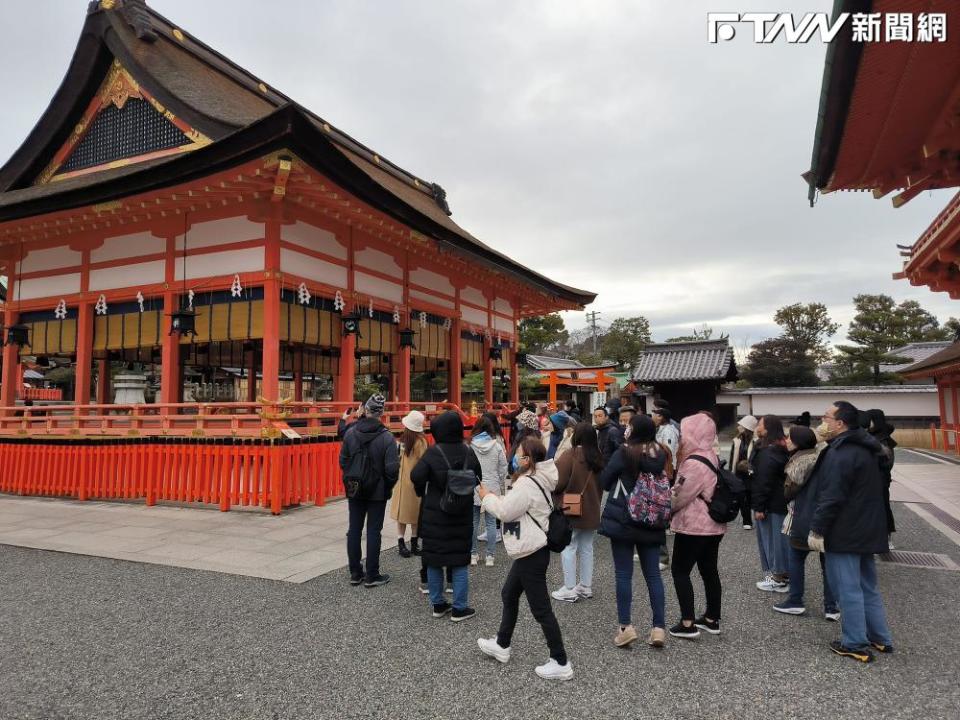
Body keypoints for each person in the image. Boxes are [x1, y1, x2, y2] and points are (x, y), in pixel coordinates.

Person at [476, 437, 573, 680]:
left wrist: (487, 497)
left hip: (531, 550)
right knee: (509, 594)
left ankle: (560, 660)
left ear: (527, 459)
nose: (515, 457)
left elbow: (506, 511)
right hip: (530, 549)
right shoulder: (539, 478)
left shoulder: (526, 484)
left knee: (541, 609)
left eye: (519, 453)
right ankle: (502, 643)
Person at [807, 401, 894, 663]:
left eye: (826, 417)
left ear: (840, 423)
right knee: (868, 585)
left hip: (845, 530)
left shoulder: (840, 453)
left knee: (847, 588)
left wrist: (817, 528)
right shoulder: (868, 448)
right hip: (867, 526)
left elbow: (831, 496)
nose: (823, 421)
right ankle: (879, 637)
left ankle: (855, 641)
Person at [598, 414, 669, 648]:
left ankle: (625, 627)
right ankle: (658, 628)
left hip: (624, 518)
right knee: (653, 575)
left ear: (634, 430)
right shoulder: (660, 453)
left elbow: (605, 482)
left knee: (623, 574)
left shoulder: (625, 452)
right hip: (652, 518)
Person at [411, 411, 482, 622]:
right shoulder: (468, 452)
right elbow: (478, 477)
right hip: (461, 512)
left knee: (433, 560)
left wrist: (422, 489)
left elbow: (416, 476)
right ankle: (460, 608)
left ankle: (438, 604)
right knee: (459, 561)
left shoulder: (433, 452)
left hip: (435, 513)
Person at [668, 412, 726, 639]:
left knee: (680, 571)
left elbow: (680, 496)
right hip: (713, 525)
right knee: (709, 570)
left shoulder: (693, 462)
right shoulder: (710, 454)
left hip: (694, 526)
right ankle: (712, 618)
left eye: (686, 431)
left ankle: (687, 622)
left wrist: (666, 506)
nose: (683, 436)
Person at [774, 425, 838, 620]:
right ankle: (831, 607)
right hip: (827, 516)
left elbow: (789, 492)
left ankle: (795, 600)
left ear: (799, 441)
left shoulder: (799, 462)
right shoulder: (827, 457)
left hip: (803, 516)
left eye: (790, 438)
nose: (787, 440)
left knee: (796, 557)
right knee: (828, 563)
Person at [338, 394, 400, 587]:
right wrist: (386, 486)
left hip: (355, 488)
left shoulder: (350, 433)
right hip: (377, 490)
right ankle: (372, 575)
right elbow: (392, 470)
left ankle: (355, 573)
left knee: (354, 530)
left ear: (365, 410)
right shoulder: (387, 437)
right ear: (381, 412)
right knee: (374, 531)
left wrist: (352, 476)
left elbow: (343, 461)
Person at [551, 421, 603, 603]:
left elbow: (557, 482)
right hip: (592, 508)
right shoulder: (598, 456)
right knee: (587, 547)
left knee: (569, 546)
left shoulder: (570, 454)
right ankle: (585, 586)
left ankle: (570, 588)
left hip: (571, 508)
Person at [751, 415, 791, 593]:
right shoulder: (780, 447)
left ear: (767, 429)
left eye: (760, 424)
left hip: (770, 504)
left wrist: (759, 506)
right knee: (780, 541)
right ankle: (782, 575)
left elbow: (763, 481)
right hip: (779, 501)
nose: (757, 426)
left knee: (773, 541)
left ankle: (778, 578)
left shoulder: (768, 451)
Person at [470, 415, 508, 567]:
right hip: (492, 487)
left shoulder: (470, 446)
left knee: (473, 522)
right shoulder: (497, 446)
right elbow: (503, 467)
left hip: (475, 487)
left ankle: (473, 554)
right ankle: (490, 556)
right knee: (491, 523)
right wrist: (498, 481)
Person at [390, 410, 428, 558]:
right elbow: (424, 462)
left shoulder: (401, 441)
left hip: (401, 481)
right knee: (415, 513)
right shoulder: (421, 442)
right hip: (416, 482)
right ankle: (414, 543)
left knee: (402, 514)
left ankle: (401, 543)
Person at [865, 408, 897, 547]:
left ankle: (886, 536)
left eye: (869, 419)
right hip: (872, 479)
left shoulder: (883, 439)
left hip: (881, 479)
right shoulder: (871, 435)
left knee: (883, 506)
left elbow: (887, 463)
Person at [729, 415, 758, 529]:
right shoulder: (736, 441)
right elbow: (732, 457)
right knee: (742, 496)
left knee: (752, 495)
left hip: (751, 473)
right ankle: (747, 520)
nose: (738, 427)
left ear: (747, 427)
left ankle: (756, 516)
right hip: (739, 473)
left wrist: (750, 466)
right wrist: (732, 470)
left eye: (741, 425)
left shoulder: (756, 442)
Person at [652, 407, 680, 472]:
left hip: (669, 467)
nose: (652, 419)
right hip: (664, 465)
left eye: (654, 416)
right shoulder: (662, 429)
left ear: (660, 417)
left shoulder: (668, 431)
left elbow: (669, 450)